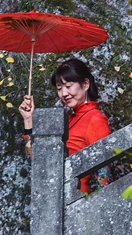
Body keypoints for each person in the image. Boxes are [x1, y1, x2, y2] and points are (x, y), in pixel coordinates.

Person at [19, 58, 112, 194]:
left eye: (68, 86)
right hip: (52, 198)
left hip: (74, 200)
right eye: (59, 88)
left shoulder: (95, 119)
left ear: (85, 84)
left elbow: (103, 174)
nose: (63, 93)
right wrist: (28, 120)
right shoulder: (66, 120)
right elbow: (37, 163)